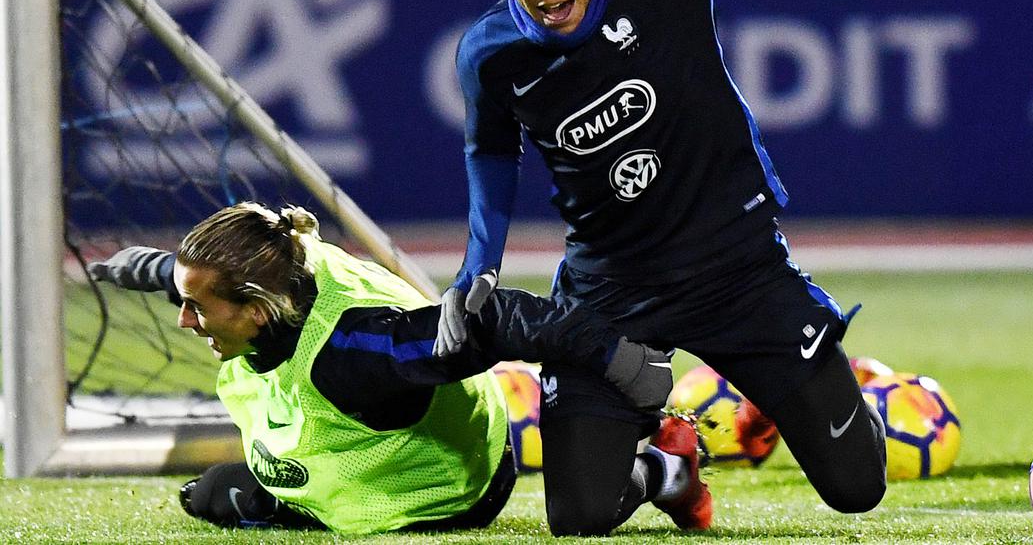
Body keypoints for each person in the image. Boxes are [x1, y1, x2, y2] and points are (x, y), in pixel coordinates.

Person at [441, 0, 888, 535]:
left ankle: (831, 389)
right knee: (580, 518)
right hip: (610, 293)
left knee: (857, 487)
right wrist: (478, 267)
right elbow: (491, 152)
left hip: (737, 269)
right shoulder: (489, 52)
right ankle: (666, 469)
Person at [86, 201, 673, 535]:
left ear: (257, 311)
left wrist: (620, 360)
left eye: (195, 307)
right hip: (361, 436)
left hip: (441, 492)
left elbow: (495, 319)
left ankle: (662, 469)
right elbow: (209, 282)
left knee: (221, 496)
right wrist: (151, 268)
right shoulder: (279, 265)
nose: (184, 321)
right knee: (213, 495)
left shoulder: (359, 354)